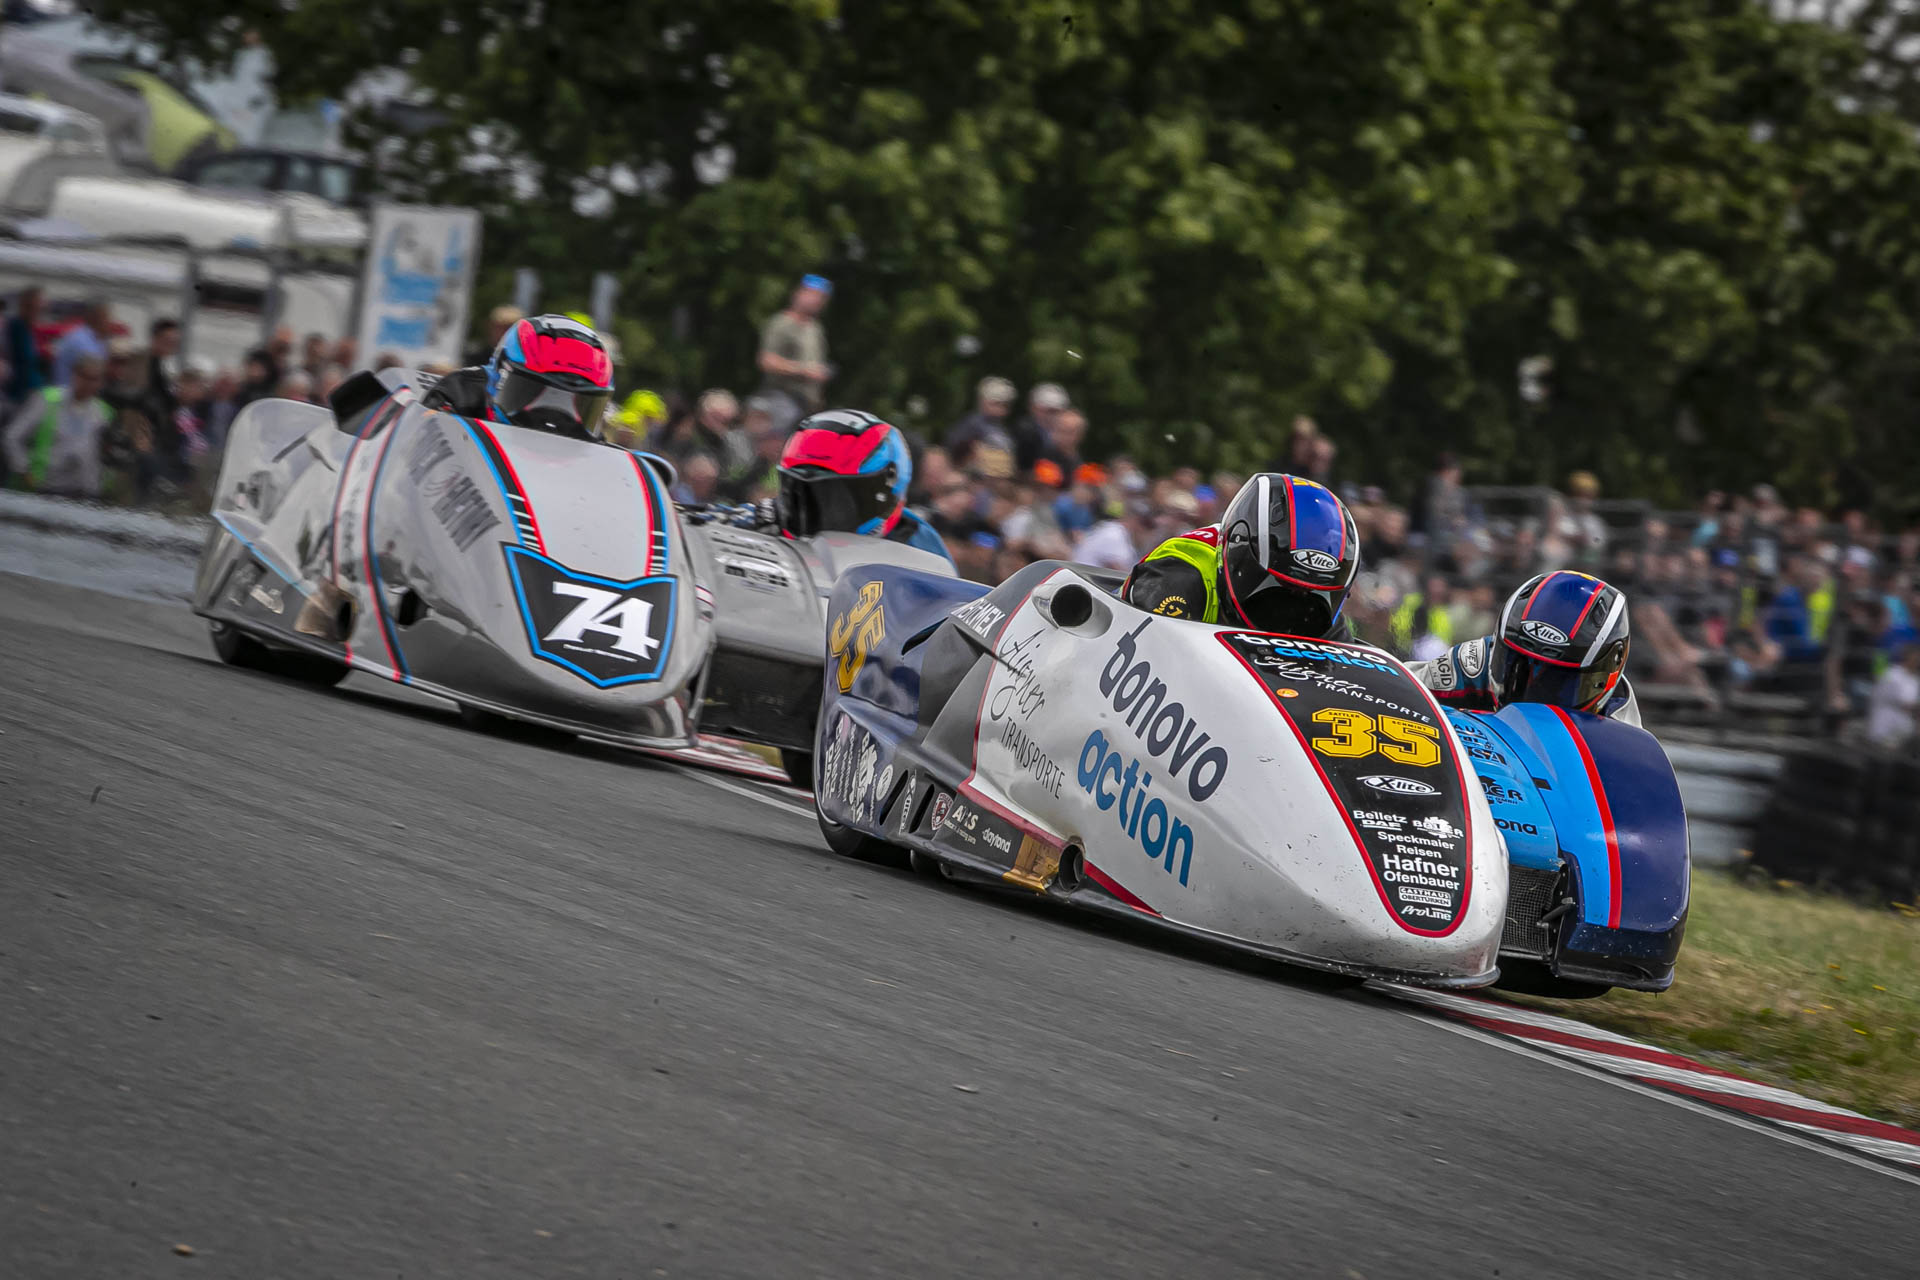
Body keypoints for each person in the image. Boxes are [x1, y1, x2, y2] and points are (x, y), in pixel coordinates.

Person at [1121, 472, 1360, 638]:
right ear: (1240, 560)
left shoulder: (1323, 617)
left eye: (1311, 595)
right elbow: (1153, 650)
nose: (1295, 612)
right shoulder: (1180, 576)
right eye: (1281, 589)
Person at [1408, 571, 1640, 725]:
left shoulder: (1619, 723)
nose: (1532, 693)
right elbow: (1398, 689)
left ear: (1605, 675)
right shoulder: (1474, 663)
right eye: (1516, 666)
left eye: (1557, 681)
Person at [766, 408, 951, 563]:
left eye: (836, 495)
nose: (810, 508)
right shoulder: (767, 518)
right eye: (801, 491)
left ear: (887, 485)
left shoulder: (922, 548)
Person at [422, 313, 614, 437]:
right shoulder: (459, 394)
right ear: (499, 374)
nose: (550, 425)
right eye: (531, 392)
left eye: (581, 405)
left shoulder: (592, 445)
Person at [4, 355, 112, 498]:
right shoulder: (48, 400)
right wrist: (24, 469)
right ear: (74, 375)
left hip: (85, 491)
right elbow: (12, 436)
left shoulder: (102, 412)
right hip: (47, 487)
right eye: (84, 377)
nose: (88, 384)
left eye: (94, 379)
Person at [756, 274, 832, 429]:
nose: (816, 301)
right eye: (812, 294)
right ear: (798, 294)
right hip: (781, 400)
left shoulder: (815, 328)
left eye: (821, 298)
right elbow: (766, 361)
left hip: (806, 405)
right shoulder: (782, 323)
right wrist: (804, 370)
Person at [51, 298, 112, 390]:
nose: (109, 322)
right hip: (68, 393)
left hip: (80, 393)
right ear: (95, 317)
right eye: (106, 317)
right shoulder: (80, 341)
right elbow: (93, 372)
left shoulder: (98, 340)